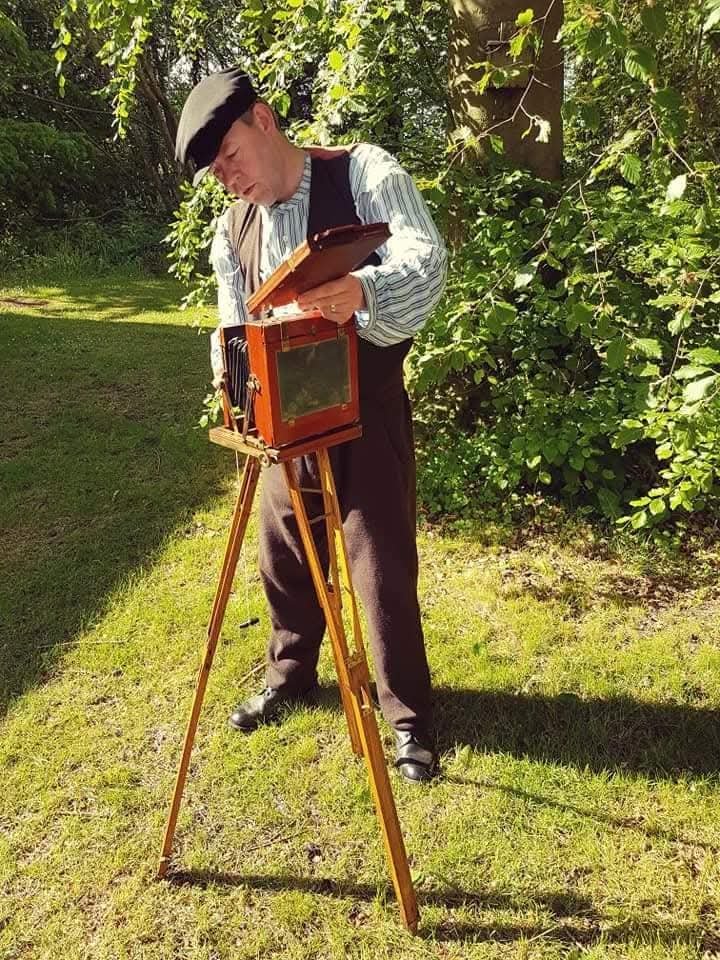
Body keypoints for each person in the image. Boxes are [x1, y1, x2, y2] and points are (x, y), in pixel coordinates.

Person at [175, 67, 448, 782]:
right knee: (285, 554)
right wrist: (229, 369)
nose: (227, 179)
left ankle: (408, 719)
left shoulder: (362, 171)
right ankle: (290, 676)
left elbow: (427, 262)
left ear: (264, 120)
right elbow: (233, 319)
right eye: (215, 173)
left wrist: (360, 288)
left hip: (365, 409)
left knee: (380, 565)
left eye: (230, 156)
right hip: (283, 422)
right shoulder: (231, 229)